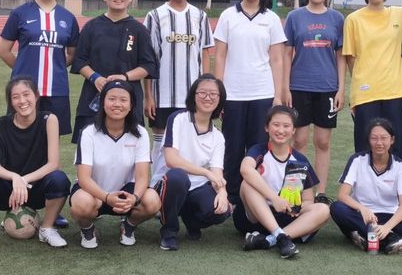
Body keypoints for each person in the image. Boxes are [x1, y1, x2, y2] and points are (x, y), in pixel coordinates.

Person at [0, 0, 78, 228]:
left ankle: (52, 203)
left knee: (50, 148)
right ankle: (19, 199)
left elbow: (71, 54)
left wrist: (54, 69)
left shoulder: (68, 18)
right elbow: (3, 50)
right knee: (20, 144)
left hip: (56, 91)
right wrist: (21, 74)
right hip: (25, 95)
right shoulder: (20, 14)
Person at [0, 76, 70, 248]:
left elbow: (53, 164)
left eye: (26, 94)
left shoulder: (49, 120)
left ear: (36, 95)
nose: (22, 101)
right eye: (15, 97)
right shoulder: (1, 124)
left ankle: (47, 229)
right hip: (10, 191)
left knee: (59, 179)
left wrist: (24, 180)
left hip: (37, 188)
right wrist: (15, 178)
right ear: (11, 102)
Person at [214, 0, 287, 204]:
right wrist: (219, 93)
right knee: (232, 148)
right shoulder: (228, 16)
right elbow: (220, 56)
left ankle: (257, 196)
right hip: (233, 94)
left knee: (258, 149)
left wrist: (278, 95)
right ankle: (232, 197)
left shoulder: (271, 19)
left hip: (262, 93)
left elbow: (277, 59)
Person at [342, 0, 402, 159]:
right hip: (365, 93)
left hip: (394, 92)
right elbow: (350, 58)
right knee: (365, 148)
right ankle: (364, 180)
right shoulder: (353, 19)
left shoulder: (401, 14)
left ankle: (397, 180)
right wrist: (360, 85)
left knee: (395, 147)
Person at [70, 80, 161, 248]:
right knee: (81, 203)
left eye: (123, 100)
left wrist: (134, 198)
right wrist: (106, 197)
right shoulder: (89, 132)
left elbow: (142, 177)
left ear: (131, 105)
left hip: (125, 193)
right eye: (111, 99)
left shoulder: (140, 133)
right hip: (95, 194)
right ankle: (88, 229)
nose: (117, 104)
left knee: (152, 201)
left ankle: (129, 226)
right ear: (102, 102)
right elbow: (83, 178)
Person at [143, 0, 214, 175]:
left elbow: (205, 54)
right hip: (162, 94)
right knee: (161, 144)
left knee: (189, 143)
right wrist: (148, 96)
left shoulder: (200, 16)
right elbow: (149, 59)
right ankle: (156, 186)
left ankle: (189, 186)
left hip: (193, 95)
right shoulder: (155, 16)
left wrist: (207, 89)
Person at [71, 0, 158, 143]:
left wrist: (125, 77)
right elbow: (79, 60)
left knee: (129, 147)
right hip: (93, 97)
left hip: (128, 99)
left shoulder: (139, 30)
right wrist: (95, 78)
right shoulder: (91, 27)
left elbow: (148, 65)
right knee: (90, 145)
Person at [283, 0, 346, 205]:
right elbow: (286, 54)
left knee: (323, 142)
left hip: (327, 87)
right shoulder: (294, 17)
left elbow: (341, 56)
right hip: (299, 86)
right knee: (298, 140)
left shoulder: (337, 19)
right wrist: (285, 87)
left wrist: (341, 88)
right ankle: (295, 191)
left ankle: (320, 192)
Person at [234, 105, 330, 259]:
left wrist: (295, 208)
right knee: (247, 184)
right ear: (267, 128)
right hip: (256, 217)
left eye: (286, 126)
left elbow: (308, 200)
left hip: (287, 219)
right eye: (276, 125)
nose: (281, 130)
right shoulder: (258, 151)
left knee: (323, 210)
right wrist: (274, 198)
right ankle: (279, 236)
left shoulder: (300, 160)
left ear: (293, 130)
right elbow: (245, 169)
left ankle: (270, 240)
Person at [151, 74, 230, 251]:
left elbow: (217, 172)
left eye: (213, 94)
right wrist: (206, 172)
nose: (207, 97)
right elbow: (171, 160)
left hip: (196, 186)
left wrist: (223, 192)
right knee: (178, 177)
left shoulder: (218, 137)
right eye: (202, 92)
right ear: (194, 95)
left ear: (220, 99)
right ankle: (169, 231)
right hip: (169, 182)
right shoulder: (178, 118)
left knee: (223, 211)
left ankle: (191, 221)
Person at [329, 118, 402, 254]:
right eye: (374, 138)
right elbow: (342, 195)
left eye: (384, 138)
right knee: (337, 208)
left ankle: (368, 236)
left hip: (391, 216)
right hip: (363, 217)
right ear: (368, 140)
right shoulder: (357, 160)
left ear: (392, 140)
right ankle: (390, 238)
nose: (379, 143)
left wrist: (387, 227)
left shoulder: (400, 166)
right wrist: (362, 208)